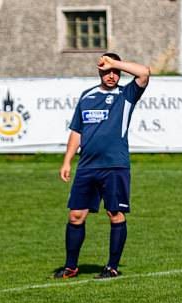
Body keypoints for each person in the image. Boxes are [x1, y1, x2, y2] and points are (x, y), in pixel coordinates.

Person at [53, 53, 150, 280]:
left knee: (114, 213)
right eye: (107, 71)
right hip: (87, 167)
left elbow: (144, 72)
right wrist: (67, 160)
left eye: (115, 71)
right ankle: (71, 267)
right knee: (76, 216)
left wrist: (114, 62)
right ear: (99, 71)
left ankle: (112, 267)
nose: (112, 75)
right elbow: (77, 131)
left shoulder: (126, 95)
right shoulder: (87, 97)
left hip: (115, 166)